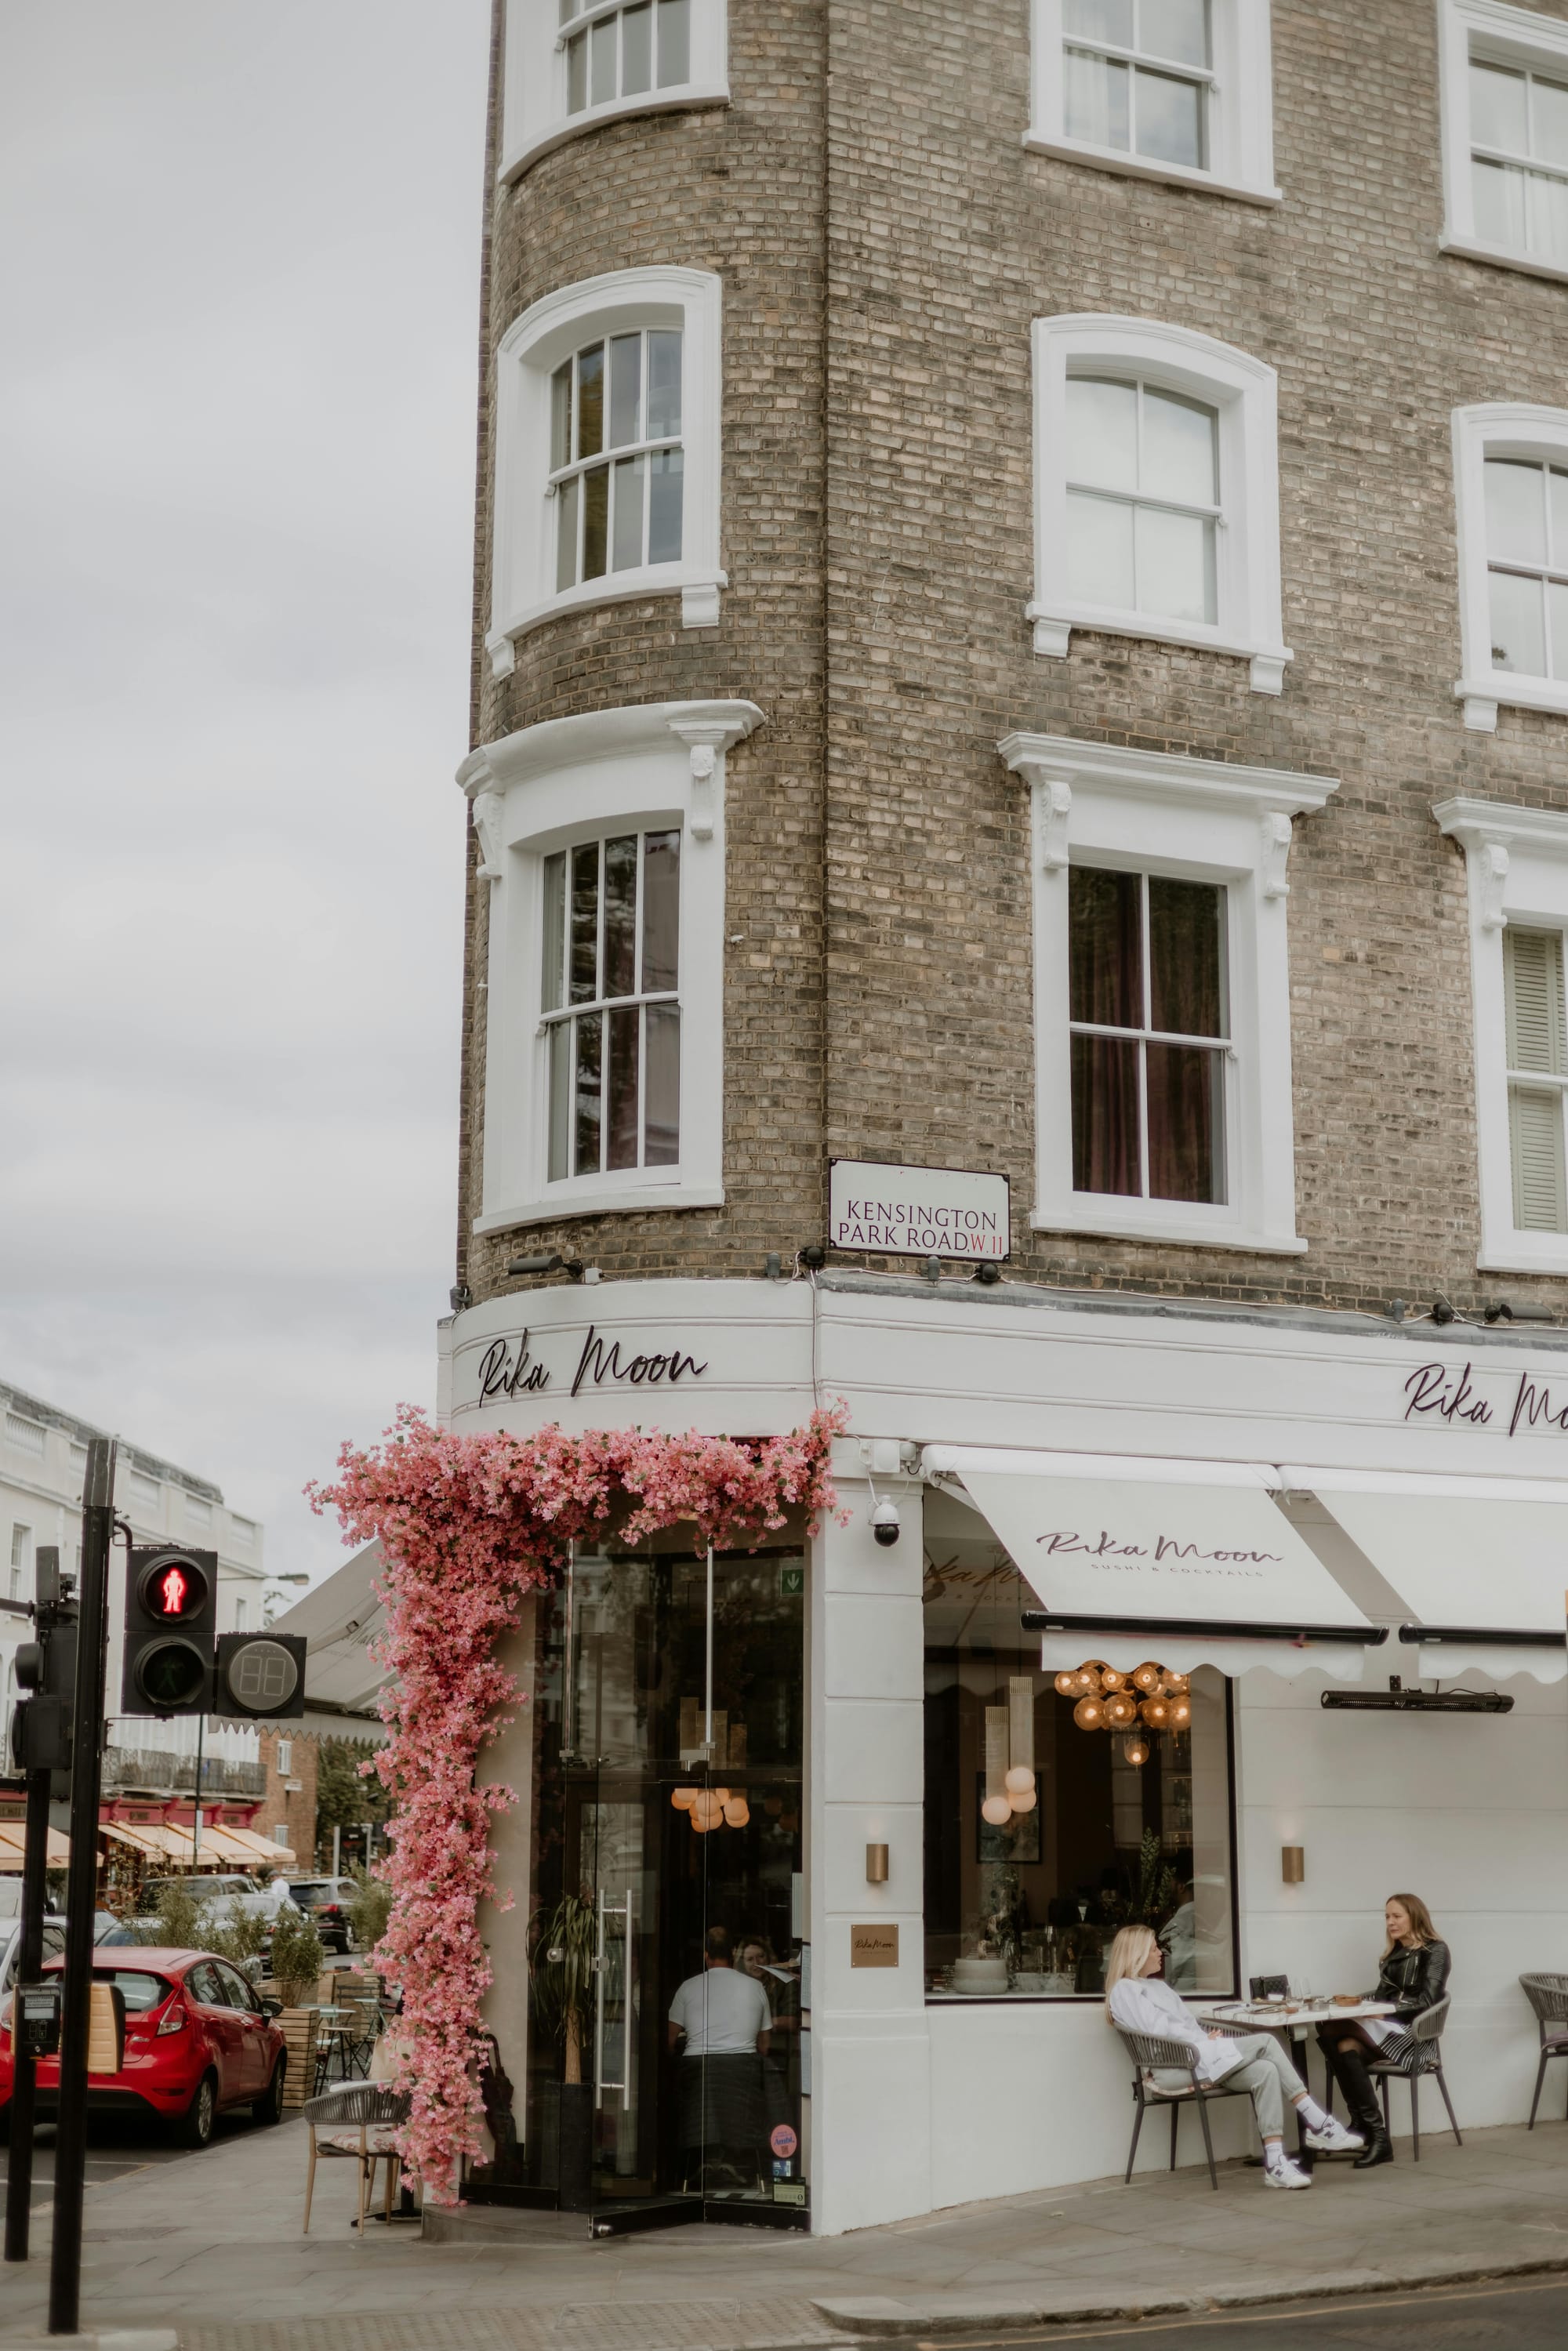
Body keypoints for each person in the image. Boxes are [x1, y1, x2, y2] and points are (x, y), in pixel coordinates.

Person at [1105, 1925, 1363, 2189]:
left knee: (1266, 2071)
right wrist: (1203, 2041)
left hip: (1198, 2058)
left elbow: (1184, 2025)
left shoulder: (1157, 1987)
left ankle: (1275, 2164)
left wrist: (1205, 2040)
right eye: (1153, 1948)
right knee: (1266, 2042)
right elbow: (1158, 2031)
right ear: (1136, 1954)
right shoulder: (1125, 1990)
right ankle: (1319, 2123)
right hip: (1174, 2069)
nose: (1160, 1953)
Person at [1313, 1893, 1451, 2171]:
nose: (1390, 1922)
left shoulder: (1436, 1950)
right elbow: (1380, 1996)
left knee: (1331, 2030)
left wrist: (1387, 2010)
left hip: (1413, 2036)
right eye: (1387, 1917)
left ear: (1415, 1916)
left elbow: (1428, 2002)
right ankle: (1373, 2132)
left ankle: (1366, 2128)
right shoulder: (1392, 1956)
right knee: (1341, 2043)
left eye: (1396, 1916)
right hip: (1385, 2030)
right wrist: (1369, 2007)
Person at [668, 1925, 771, 2186]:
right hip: (742, 2075)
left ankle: (686, 2174)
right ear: (734, 1952)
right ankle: (744, 2168)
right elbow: (764, 2046)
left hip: (697, 2072)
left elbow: (668, 2041)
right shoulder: (755, 1988)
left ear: (705, 1955)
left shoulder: (687, 1988)